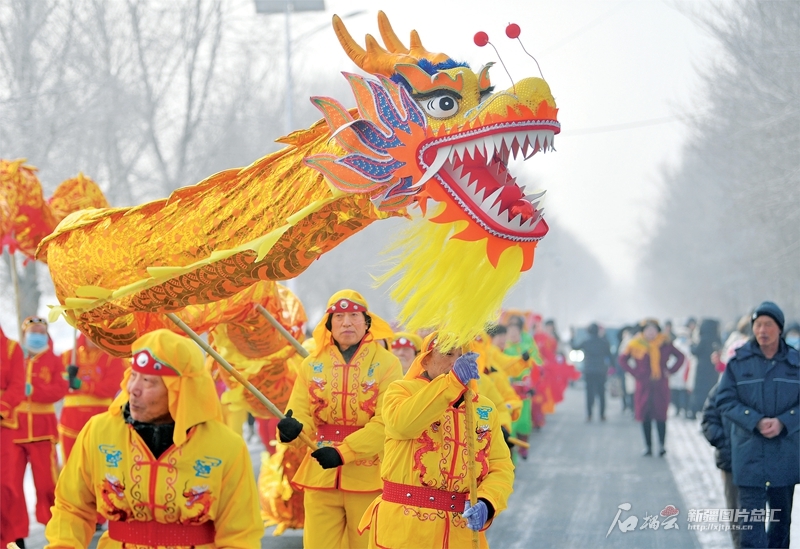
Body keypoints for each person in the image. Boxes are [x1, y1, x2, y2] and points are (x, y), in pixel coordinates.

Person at [45, 329, 263, 548]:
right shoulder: (99, 432)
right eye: (133, 376)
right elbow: (72, 508)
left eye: (148, 381)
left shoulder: (225, 447)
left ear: (180, 390)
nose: (133, 389)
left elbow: (240, 535)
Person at [358, 332, 515, 548]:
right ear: (426, 359)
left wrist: (487, 502)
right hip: (405, 530)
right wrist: (451, 383)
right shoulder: (401, 391)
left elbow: (501, 466)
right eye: (448, 354)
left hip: (460, 533)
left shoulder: (484, 408)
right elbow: (402, 424)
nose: (455, 361)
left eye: (463, 356)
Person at [276, 290, 402, 549]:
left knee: (367, 544)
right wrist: (292, 430)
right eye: (339, 316)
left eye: (354, 315)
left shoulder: (388, 364)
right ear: (329, 324)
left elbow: (385, 423)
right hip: (320, 472)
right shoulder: (311, 365)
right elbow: (300, 412)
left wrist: (344, 452)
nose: (346, 322)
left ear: (367, 322)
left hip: (369, 474)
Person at [716, 301, 799, 549]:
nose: (762, 330)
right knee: (751, 531)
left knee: (780, 527)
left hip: (785, 456)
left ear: (780, 329)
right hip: (749, 455)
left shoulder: (796, 363)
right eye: (758, 325)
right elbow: (724, 400)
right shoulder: (738, 362)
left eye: (768, 325)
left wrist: (785, 421)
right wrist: (755, 420)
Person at [5, 317, 68, 548]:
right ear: (24, 333)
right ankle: (15, 534)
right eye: (33, 331)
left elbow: (60, 389)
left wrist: (34, 389)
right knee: (11, 484)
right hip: (14, 430)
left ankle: (55, 527)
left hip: (43, 430)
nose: (37, 335)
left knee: (47, 484)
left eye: (41, 331)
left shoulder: (55, 360)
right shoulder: (14, 356)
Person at [619, 319, 685, 457]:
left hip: (660, 384)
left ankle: (662, 445)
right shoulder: (635, 344)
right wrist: (635, 373)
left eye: (653, 329)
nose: (650, 332)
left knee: (661, 415)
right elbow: (622, 359)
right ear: (643, 332)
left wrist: (670, 371)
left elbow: (681, 356)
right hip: (643, 385)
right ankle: (648, 446)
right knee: (645, 415)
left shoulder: (665, 343)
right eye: (647, 329)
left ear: (658, 331)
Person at [59, 333, 126, 462]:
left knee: (100, 465)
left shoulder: (113, 358)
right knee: (70, 467)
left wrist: (83, 385)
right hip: (70, 422)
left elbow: (111, 387)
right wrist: (66, 378)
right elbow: (55, 382)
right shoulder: (67, 356)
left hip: (101, 420)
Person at [701, 382, 740, 549]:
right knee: (737, 514)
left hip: (770, 461)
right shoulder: (726, 382)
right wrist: (725, 445)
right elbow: (709, 418)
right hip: (731, 459)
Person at [1, 326, 26, 548]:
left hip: (3, 425)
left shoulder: (11, 348)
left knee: (5, 486)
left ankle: (9, 537)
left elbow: (18, 386)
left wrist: (2, 407)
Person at [576, 323, 613, 421]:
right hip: (601, 370)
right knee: (601, 394)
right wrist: (612, 367)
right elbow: (610, 356)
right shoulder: (604, 342)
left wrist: (572, 337)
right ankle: (602, 414)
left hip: (589, 371)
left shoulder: (586, 341)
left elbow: (575, 347)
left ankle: (589, 414)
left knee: (589, 393)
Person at [690, 318, 721, 418]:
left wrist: (691, 344)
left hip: (702, 369)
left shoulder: (703, 339)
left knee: (700, 390)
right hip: (713, 369)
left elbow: (695, 351)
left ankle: (696, 410)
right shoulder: (717, 339)